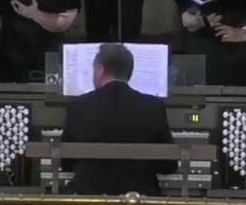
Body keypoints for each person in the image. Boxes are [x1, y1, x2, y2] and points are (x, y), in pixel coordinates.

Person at [60, 43, 175, 196]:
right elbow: (169, 165)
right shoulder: (154, 106)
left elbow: (66, 163)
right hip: (139, 197)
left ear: (100, 70)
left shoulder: (78, 105)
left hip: (87, 197)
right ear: (129, 72)